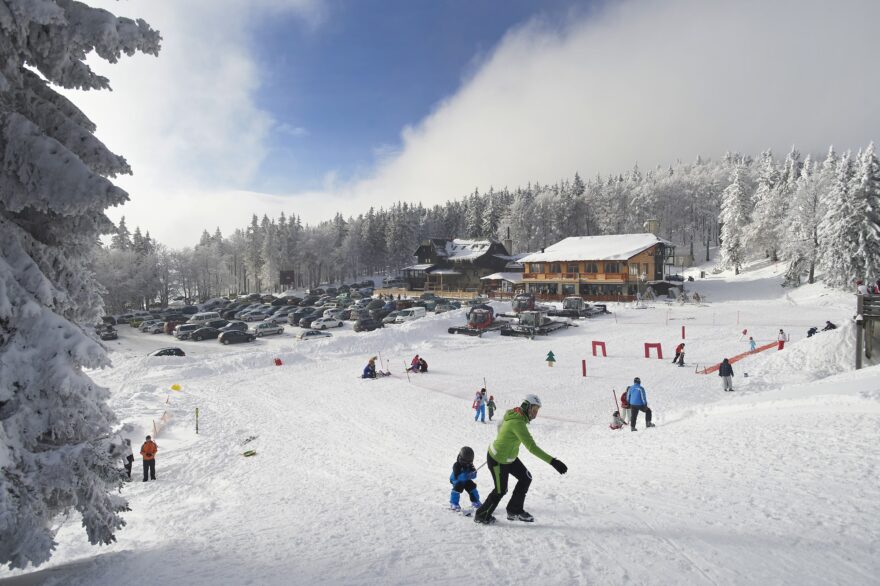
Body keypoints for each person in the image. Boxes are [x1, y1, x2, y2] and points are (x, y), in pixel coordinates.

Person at [473, 394, 567, 525]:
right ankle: (481, 515)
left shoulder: (516, 415)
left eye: (537, 411)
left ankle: (514, 510)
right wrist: (553, 461)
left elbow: (501, 426)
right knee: (501, 490)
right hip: (497, 460)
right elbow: (532, 447)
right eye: (534, 410)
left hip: (509, 458)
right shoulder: (517, 422)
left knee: (526, 478)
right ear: (526, 407)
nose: (535, 414)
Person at [449, 446, 481, 513]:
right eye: (465, 461)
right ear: (461, 458)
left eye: (469, 462)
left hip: (466, 480)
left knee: (472, 487)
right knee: (458, 487)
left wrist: (473, 474)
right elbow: (456, 475)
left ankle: (475, 502)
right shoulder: (456, 465)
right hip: (456, 480)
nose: (467, 463)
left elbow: (474, 472)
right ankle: (454, 504)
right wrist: (465, 476)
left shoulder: (470, 464)